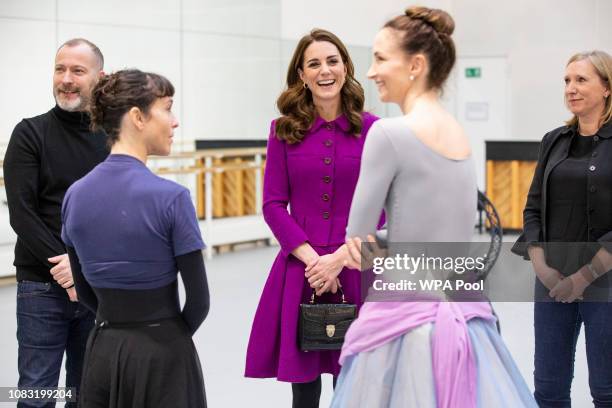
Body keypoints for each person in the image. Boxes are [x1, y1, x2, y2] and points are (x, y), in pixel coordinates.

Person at [304, 7, 537, 407]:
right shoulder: (458, 133)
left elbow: (359, 244)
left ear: (415, 65)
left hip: (404, 318)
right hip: (465, 313)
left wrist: (347, 255)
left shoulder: (388, 133)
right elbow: (442, 237)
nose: (372, 71)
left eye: (380, 58)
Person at [244, 29, 379, 407]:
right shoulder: (283, 130)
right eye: (314, 63)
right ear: (301, 74)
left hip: (356, 265)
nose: (325, 70)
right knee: (304, 387)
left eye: (332, 61)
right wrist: (315, 261)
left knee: (352, 380)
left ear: (345, 68)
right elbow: (273, 204)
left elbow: (382, 205)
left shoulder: (372, 130)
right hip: (302, 270)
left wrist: (340, 259)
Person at [61, 69, 210, 407]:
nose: (174, 122)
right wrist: (169, 337)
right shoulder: (171, 198)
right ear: (137, 117)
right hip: (163, 355)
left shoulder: (75, 195)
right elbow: (199, 301)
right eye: (168, 108)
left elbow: (84, 291)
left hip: (103, 351)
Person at [3, 38, 108, 408]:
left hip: (97, 285)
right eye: (60, 69)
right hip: (41, 286)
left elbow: (115, 212)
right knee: (36, 392)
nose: (66, 79)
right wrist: (66, 268)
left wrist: (82, 269)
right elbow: (21, 212)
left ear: (100, 77)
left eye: (78, 71)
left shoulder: (112, 139)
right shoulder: (29, 133)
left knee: (86, 393)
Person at [512, 50, 612, 407]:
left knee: (606, 390)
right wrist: (544, 270)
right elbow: (533, 207)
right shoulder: (553, 140)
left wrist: (583, 278)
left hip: (605, 282)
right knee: (549, 389)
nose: (571, 88)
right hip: (551, 281)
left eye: (581, 80)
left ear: (607, 88)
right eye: (567, 80)